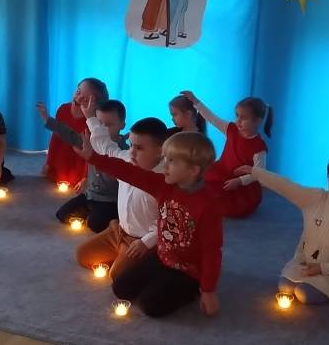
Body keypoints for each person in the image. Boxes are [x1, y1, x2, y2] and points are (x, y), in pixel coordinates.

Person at [76, 129, 223, 318]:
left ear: (193, 170)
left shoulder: (209, 205)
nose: (165, 165)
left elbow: (212, 251)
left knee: (151, 306)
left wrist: (208, 290)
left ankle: (190, 289)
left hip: (188, 270)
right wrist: (93, 157)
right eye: (165, 159)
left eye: (171, 161)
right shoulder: (163, 185)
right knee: (121, 288)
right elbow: (129, 172)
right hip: (161, 257)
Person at [236, 152, 329, 305]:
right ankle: (308, 279)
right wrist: (257, 172)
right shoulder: (315, 198)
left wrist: (323, 268)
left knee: (304, 294)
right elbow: (287, 186)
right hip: (305, 262)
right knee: (285, 288)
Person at [76, 103, 169, 280]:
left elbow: (168, 223)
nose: (132, 152)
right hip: (120, 231)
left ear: (161, 151)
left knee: (117, 277)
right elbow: (106, 147)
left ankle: (140, 260)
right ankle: (121, 249)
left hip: (143, 241)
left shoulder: (166, 179)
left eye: (139, 148)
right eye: (131, 145)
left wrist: (146, 242)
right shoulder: (127, 159)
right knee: (83, 255)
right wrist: (91, 118)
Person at [181, 91, 271, 218]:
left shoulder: (259, 148)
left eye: (244, 118)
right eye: (237, 116)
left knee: (223, 200)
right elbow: (212, 118)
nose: (238, 121)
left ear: (257, 121)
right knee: (200, 177)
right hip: (223, 171)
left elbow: (259, 174)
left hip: (242, 186)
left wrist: (239, 181)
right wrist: (195, 101)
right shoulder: (231, 129)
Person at [51, 99, 125, 233]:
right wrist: (48, 119)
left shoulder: (123, 152)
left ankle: (111, 218)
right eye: (99, 124)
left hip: (110, 200)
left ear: (122, 125)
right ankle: (92, 213)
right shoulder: (91, 142)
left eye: (108, 125)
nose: (103, 130)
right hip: (90, 195)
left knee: (95, 224)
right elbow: (70, 135)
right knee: (62, 214)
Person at [37, 77, 108, 185]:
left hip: (79, 165)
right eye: (78, 92)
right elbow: (56, 137)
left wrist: (86, 178)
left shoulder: (93, 122)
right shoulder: (63, 109)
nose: (78, 98)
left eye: (86, 99)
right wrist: (49, 162)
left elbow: (90, 153)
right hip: (61, 159)